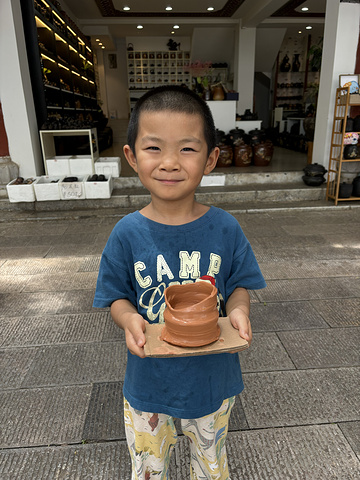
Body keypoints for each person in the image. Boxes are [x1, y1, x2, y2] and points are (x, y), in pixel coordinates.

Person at [93, 85, 266, 479]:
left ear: (211, 158)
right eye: (154, 148)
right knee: (149, 469)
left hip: (213, 384)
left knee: (210, 466)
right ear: (132, 157)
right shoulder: (126, 233)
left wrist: (238, 311)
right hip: (148, 388)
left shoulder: (225, 227)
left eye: (187, 148)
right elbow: (117, 294)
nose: (170, 162)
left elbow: (240, 281)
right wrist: (128, 320)